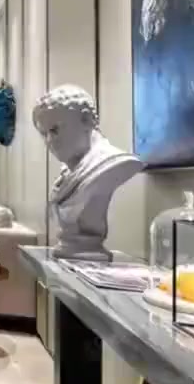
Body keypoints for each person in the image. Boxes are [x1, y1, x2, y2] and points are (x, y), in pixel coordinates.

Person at [32, 85, 142, 260]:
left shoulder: (110, 165)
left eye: (55, 130)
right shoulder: (67, 173)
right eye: (44, 134)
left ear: (86, 120)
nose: (49, 141)